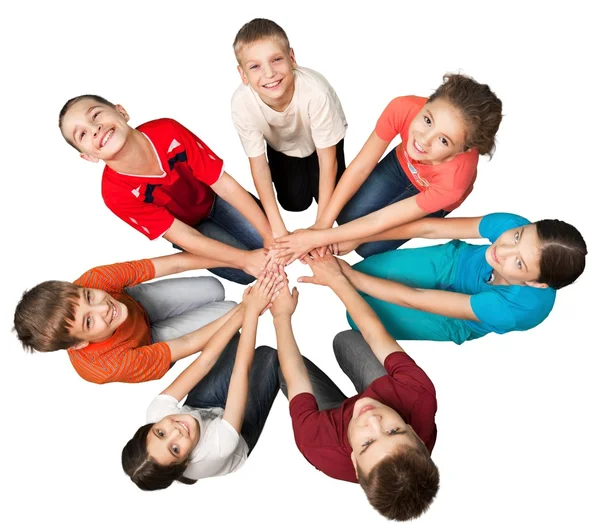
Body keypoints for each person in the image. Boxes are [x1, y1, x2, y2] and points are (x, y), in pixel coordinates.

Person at [272, 259, 438, 521]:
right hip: (387, 395)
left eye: (368, 442)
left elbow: (297, 382)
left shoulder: (316, 444)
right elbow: (375, 334)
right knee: (347, 339)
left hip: (331, 419)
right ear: (415, 433)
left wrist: (281, 314)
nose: (373, 420)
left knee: (279, 364)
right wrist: (336, 278)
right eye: (394, 430)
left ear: (353, 462)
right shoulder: (418, 396)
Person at [273, 73, 502, 261]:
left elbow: (381, 221)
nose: (424, 139)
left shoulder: (455, 182)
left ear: (463, 150)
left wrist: (333, 239)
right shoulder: (403, 107)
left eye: (444, 140)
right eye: (428, 120)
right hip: (401, 166)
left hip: (431, 192)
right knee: (345, 217)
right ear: (426, 103)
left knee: (366, 249)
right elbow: (361, 166)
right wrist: (321, 228)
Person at [59, 95, 274, 284]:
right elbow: (182, 234)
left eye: (96, 115)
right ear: (88, 157)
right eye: (82, 134)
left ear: (121, 111)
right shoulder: (114, 194)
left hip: (216, 198)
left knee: (270, 241)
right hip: (189, 228)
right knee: (247, 271)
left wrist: (271, 236)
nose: (94, 128)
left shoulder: (167, 130)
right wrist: (245, 260)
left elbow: (225, 186)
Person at [122, 271, 283, 490]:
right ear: (184, 462)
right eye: (175, 449)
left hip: (201, 408)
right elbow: (240, 373)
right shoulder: (219, 448)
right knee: (268, 356)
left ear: (150, 427)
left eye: (160, 433)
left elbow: (204, 361)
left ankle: (179, 458)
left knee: (230, 340)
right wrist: (253, 312)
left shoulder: (156, 413)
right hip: (237, 434)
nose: (175, 432)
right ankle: (189, 470)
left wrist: (246, 307)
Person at [322, 213, 587, 343]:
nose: (502, 250)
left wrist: (342, 273)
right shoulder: (514, 226)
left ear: (535, 282)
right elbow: (429, 227)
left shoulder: (514, 310)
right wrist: (354, 236)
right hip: (456, 263)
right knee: (367, 270)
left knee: (356, 316)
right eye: (517, 236)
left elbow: (416, 299)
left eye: (518, 262)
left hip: (459, 318)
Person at [14, 252, 238, 383]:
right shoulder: (105, 366)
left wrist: (239, 259)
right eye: (89, 321)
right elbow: (186, 343)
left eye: (89, 296)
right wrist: (252, 305)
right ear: (79, 343)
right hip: (150, 344)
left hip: (136, 304)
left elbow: (174, 263)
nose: (102, 308)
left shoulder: (94, 280)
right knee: (232, 311)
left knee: (214, 287)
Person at [232, 18, 347, 241]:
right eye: (255, 66)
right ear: (243, 74)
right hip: (281, 144)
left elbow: (327, 161)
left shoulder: (316, 93)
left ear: (292, 58)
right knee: (294, 204)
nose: (269, 73)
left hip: (322, 145)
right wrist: (277, 231)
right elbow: (258, 165)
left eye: (276, 60)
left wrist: (321, 230)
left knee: (338, 208)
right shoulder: (241, 104)